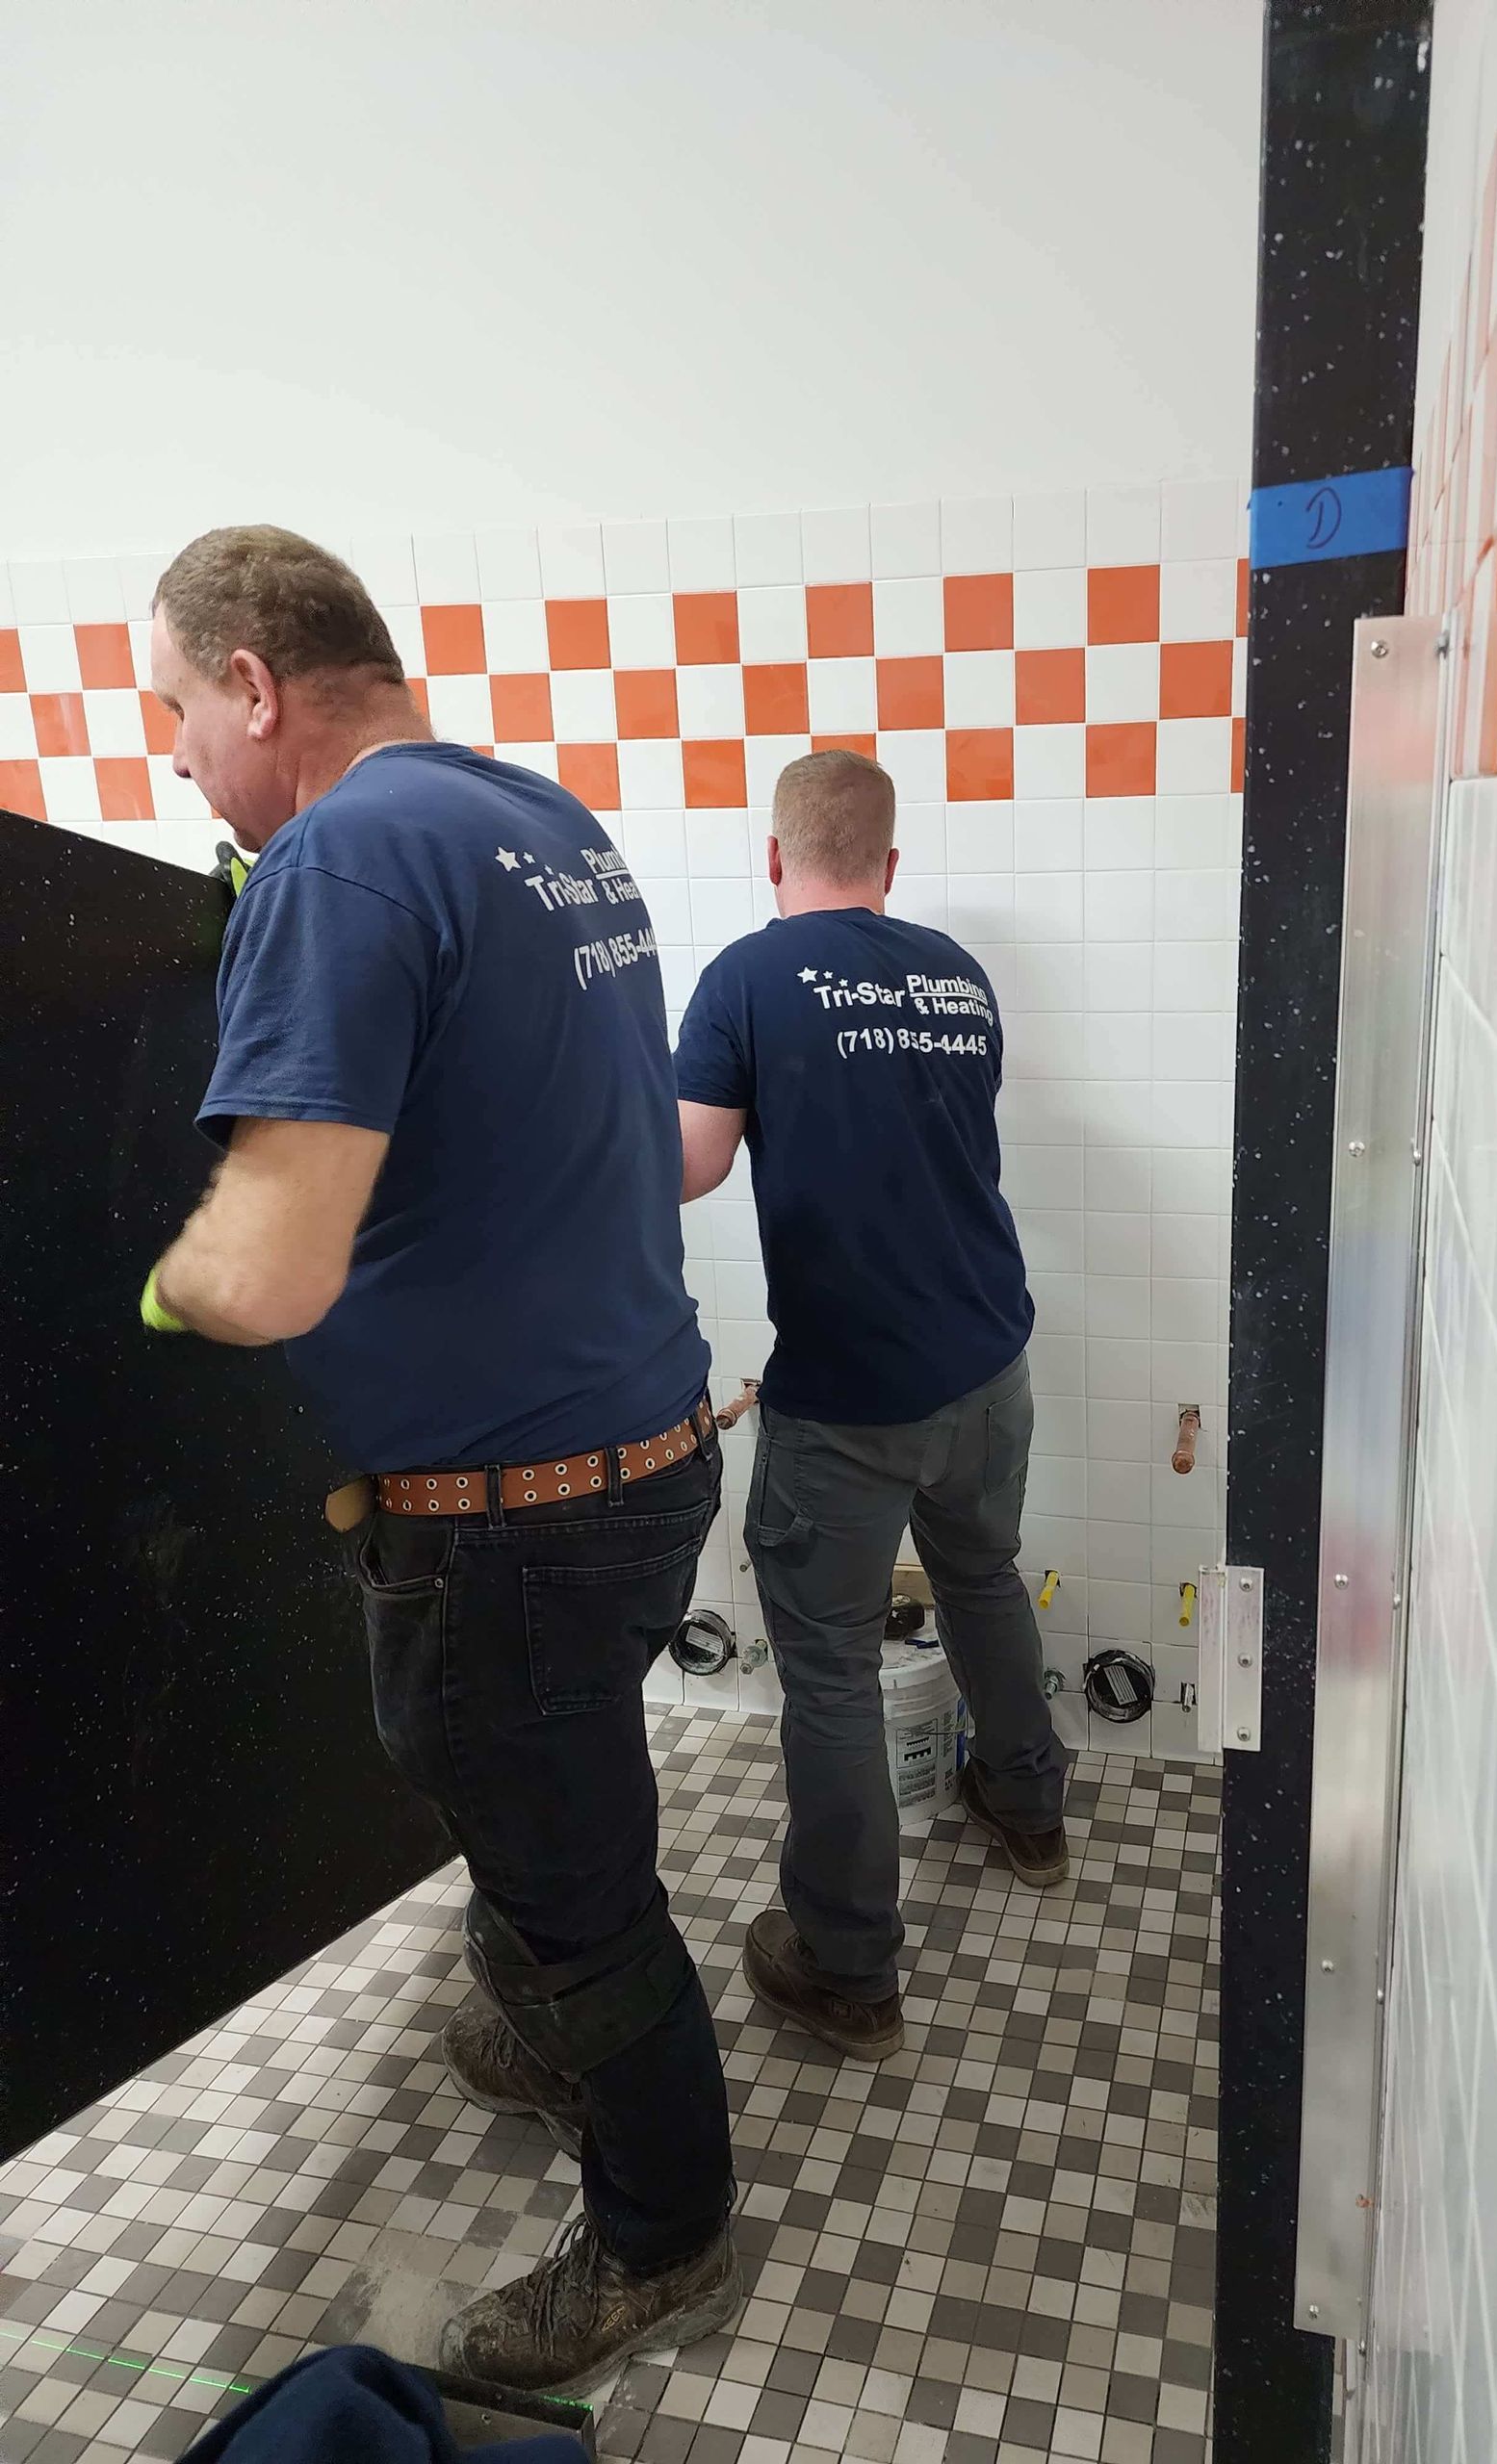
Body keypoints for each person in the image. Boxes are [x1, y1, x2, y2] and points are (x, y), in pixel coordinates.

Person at [141, 526, 738, 2393]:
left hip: (519, 1516)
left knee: (574, 1870)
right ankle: (552, 2015)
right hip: (638, 1457)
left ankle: (663, 2223)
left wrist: (156, 1281)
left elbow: (272, 1265)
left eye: (173, 708)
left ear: (254, 680)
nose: (169, 755)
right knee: (528, 1787)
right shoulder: (539, 821)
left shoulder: (338, 860)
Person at [675, 750, 1071, 2060]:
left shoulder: (745, 974)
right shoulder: (957, 974)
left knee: (831, 1668)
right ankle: (1027, 1808)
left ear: (774, 858)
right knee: (982, 1575)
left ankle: (849, 1966)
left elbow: (689, 1164)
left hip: (850, 1396)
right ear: (890, 865)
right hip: (989, 1362)